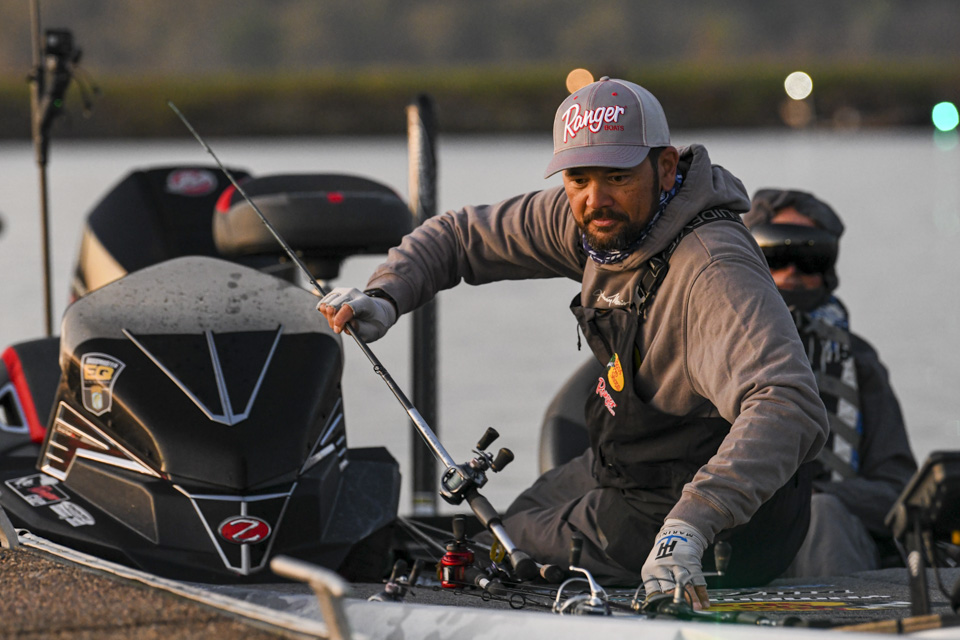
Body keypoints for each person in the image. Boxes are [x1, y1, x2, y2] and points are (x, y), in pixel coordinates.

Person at [319, 77, 828, 608]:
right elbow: (457, 236)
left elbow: (789, 405)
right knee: (509, 528)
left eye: (617, 176)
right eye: (578, 178)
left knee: (505, 552)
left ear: (665, 168)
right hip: (629, 469)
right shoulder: (598, 225)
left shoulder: (713, 267)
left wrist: (691, 525)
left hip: (723, 524)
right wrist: (384, 296)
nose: (595, 199)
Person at [745, 189, 917, 577]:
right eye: (776, 257)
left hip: (831, 539)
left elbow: (899, 490)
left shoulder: (860, 362)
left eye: (809, 259)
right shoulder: (709, 348)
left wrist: (813, 495)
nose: (792, 272)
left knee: (819, 514)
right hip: (736, 531)